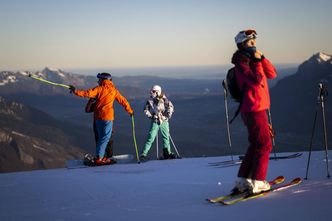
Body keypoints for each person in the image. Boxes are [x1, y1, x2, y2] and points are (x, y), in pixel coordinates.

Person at [230, 29, 277, 194]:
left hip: (256, 108)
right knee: (265, 145)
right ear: (242, 44)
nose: (254, 44)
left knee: (256, 144)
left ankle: (242, 181)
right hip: (254, 109)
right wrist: (257, 62)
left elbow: (272, 73)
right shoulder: (242, 63)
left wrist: (262, 58)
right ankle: (258, 182)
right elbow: (256, 81)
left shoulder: (252, 59)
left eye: (254, 41)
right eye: (250, 42)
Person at [69, 72, 134, 165]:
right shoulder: (114, 90)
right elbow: (123, 101)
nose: (98, 81)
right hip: (108, 117)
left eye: (99, 79)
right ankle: (99, 158)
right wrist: (130, 111)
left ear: (104, 80)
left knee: (100, 138)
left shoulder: (99, 89)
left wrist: (75, 91)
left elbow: (86, 93)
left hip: (98, 118)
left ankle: (100, 156)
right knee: (105, 138)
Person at [140, 85, 175, 161]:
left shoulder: (164, 100)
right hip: (156, 120)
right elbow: (146, 110)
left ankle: (167, 153)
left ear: (157, 92)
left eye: (153, 91)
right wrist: (152, 116)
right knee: (151, 137)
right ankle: (143, 154)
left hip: (163, 121)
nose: (151, 92)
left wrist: (165, 116)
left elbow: (171, 108)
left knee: (165, 137)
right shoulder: (150, 100)